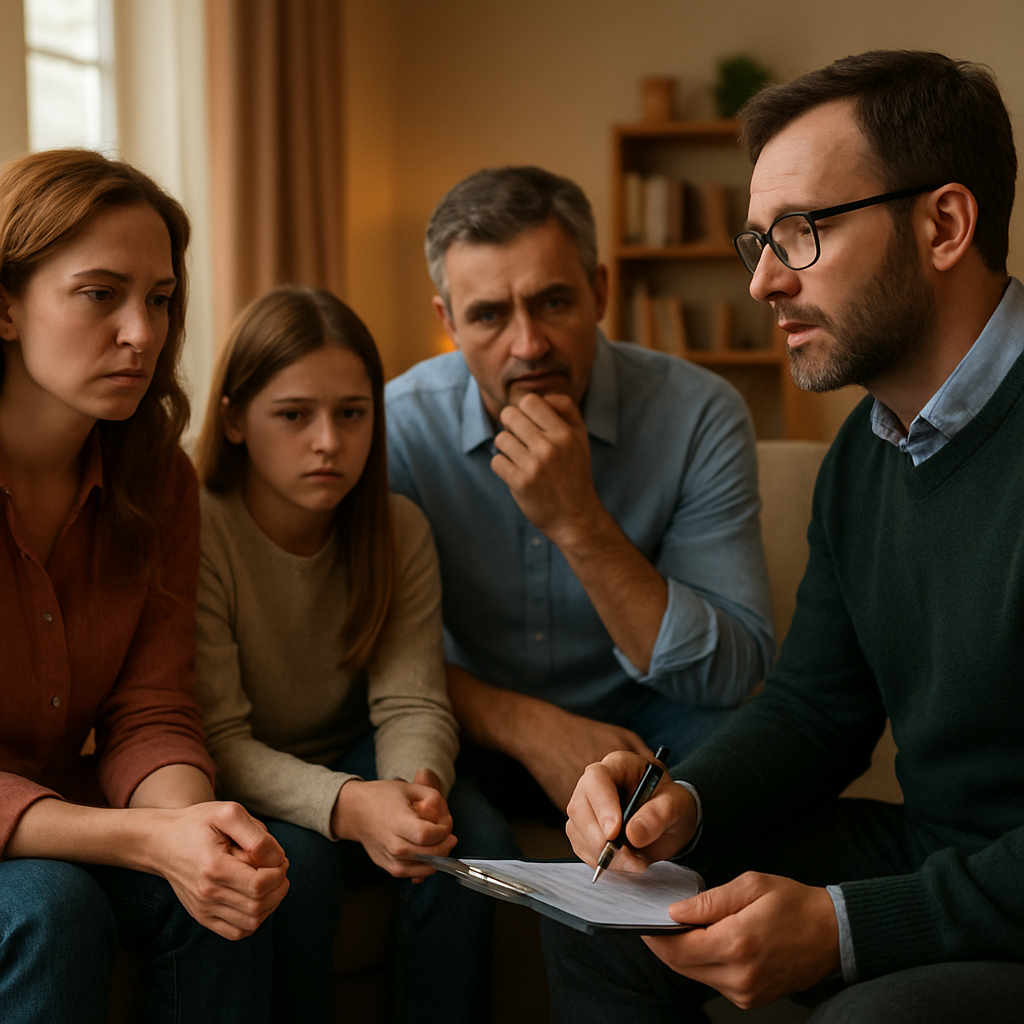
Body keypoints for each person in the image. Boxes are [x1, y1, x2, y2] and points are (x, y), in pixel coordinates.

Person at [546, 49, 1024, 1024]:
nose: (763, 281)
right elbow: (814, 710)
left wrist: (848, 925)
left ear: (942, 224)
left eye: (799, 233)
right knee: (598, 907)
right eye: (755, 240)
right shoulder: (863, 456)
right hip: (939, 852)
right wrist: (682, 802)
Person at [385, 166, 775, 824]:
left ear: (600, 290)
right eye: (487, 315)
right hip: (472, 726)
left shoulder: (700, 415)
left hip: (648, 718)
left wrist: (577, 520)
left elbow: (731, 672)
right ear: (448, 320)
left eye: (554, 302)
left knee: (747, 760)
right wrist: (527, 727)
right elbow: (379, 651)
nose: (529, 345)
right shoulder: (397, 427)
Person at [0, 149, 289, 1024]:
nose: (142, 331)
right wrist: (146, 837)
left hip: (65, 808)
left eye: (160, 299)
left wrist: (197, 836)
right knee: (53, 909)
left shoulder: (158, 478)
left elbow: (150, 706)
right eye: (100, 294)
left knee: (255, 883)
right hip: (43, 848)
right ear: (5, 305)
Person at [192, 286, 503, 1024]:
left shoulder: (397, 528)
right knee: (302, 870)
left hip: (354, 749)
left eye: (352, 414)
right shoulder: (201, 530)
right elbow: (218, 740)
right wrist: (347, 806)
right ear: (235, 419)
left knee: (467, 841)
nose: (329, 441)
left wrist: (416, 790)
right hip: (240, 768)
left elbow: (411, 699)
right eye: (294, 415)